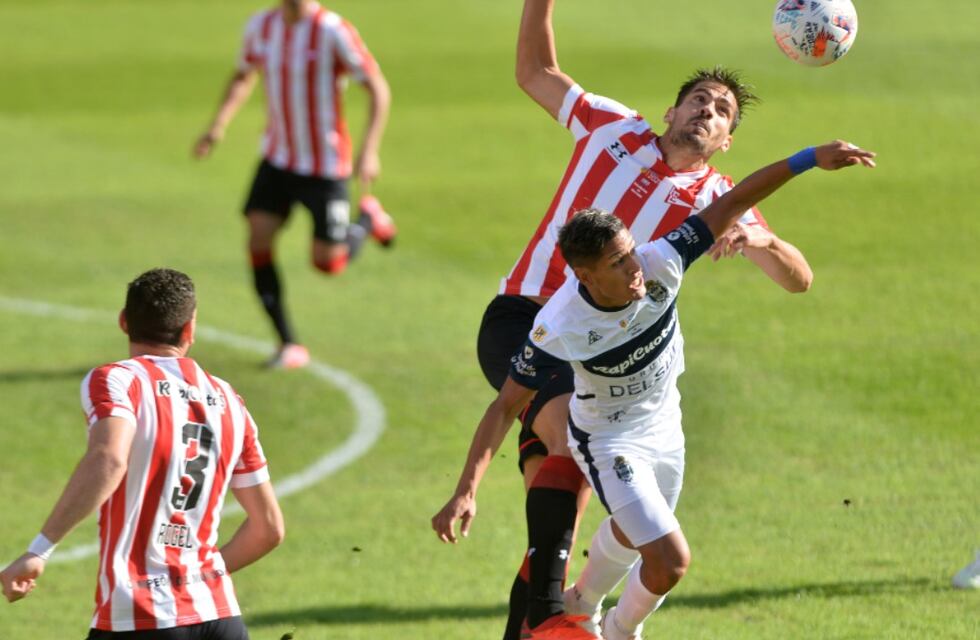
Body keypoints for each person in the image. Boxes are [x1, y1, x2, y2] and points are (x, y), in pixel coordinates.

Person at [436, 1, 815, 637]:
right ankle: (555, 617)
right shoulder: (611, 126)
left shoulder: (717, 200)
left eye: (722, 111)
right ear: (671, 111)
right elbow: (535, 72)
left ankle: (537, 622)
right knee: (568, 448)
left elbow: (798, 280)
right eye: (698, 99)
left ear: (726, 141)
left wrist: (764, 241)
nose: (707, 110)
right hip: (526, 319)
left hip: (596, 357)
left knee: (560, 505)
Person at [433, 140, 875, 639]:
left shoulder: (663, 257)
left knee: (632, 532)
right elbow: (504, 406)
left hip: (666, 427)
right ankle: (618, 630)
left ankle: (581, 603)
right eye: (618, 263)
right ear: (586, 277)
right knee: (670, 559)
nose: (635, 267)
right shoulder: (560, 325)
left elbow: (736, 199)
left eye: (631, 252)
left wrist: (809, 158)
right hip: (609, 440)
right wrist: (466, 490)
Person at [0, 268, 285, 639]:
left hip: (140, 617)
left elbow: (109, 458)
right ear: (189, 329)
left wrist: (39, 550)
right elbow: (268, 529)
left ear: (123, 321)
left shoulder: (119, 380)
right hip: (220, 619)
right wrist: (195, 579)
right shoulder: (230, 401)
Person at [193, 0, 394, 369]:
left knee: (327, 263)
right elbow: (243, 75)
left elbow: (377, 88)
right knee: (258, 237)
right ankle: (289, 343)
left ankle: (368, 220)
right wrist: (217, 126)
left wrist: (369, 151)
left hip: (326, 166)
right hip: (278, 158)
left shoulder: (333, 31)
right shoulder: (261, 26)